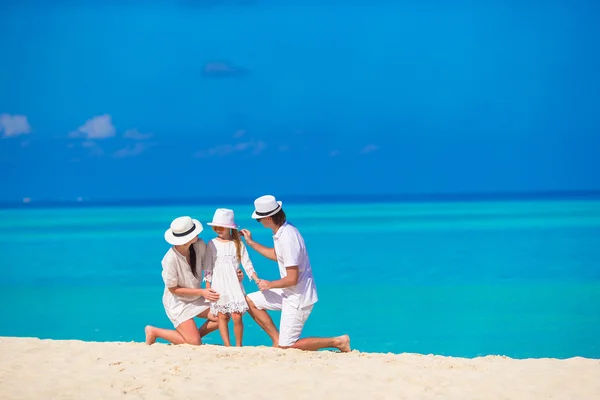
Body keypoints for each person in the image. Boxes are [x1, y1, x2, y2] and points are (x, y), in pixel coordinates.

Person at [240, 195, 351, 352]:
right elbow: (277, 255)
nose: (259, 222)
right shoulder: (283, 230)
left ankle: (338, 341)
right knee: (250, 301)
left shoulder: (287, 238)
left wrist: (269, 284)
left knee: (288, 347)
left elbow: (292, 278)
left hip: (299, 297)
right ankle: (277, 340)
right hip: (288, 292)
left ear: (269, 218)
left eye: (260, 219)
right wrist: (251, 243)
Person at [144, 216, 243, 345]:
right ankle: (154, 331)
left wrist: (235, 273)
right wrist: (202, 292)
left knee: (223, 316)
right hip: (178, 302)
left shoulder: (199, 245)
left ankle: (192, 337)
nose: (198, 233)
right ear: (185, 239)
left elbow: (214, 263)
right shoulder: (170, 259)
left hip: (196, 296)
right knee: (194, 343)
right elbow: (173, 289)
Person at [203, 208, 259, 347]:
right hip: (218, 284)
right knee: (221, 315)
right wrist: (208, 288)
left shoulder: (238, 244)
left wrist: (256, 278)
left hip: (234, 285)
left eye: (221, 227)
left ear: (229, 228)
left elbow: (247, 263)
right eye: (215, 227)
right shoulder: (211, 243)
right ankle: (227, 345)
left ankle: (239, 345)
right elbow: (208, 267)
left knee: (236, 315)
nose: (218, 229)